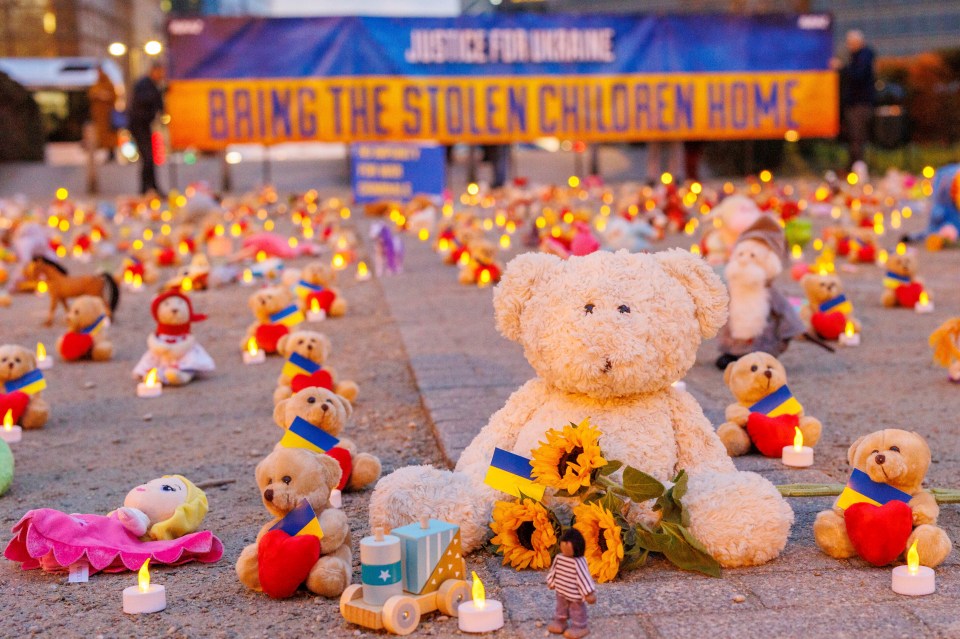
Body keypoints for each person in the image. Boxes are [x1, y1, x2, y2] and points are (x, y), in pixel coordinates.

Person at [833, 30, 875, 170]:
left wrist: (842, 68)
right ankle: (853, 167)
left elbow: (858, 75)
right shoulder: (856, 57)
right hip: (854, 104)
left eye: (851, 43)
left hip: (860, 104)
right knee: (853, 138)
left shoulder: (864, 57)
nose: (849, 46)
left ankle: (857, 169)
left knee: (857, 138)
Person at [546, 528, 597, 639]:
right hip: (561, 591)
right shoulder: (559, 558)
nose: (564, 546)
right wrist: (551, 581)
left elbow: (584, 577)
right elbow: (554, 571)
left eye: (567, 544)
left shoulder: (578, 562)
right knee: (560, 607)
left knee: (577, 610)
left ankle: (580, 626)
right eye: (563, 543)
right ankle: (560, 621)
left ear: (577, 546)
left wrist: (588, 593)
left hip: (575, 594)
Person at [129, 63, 166, 195]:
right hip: (138, 124)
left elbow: (159, 105)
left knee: (150, 157)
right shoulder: (144, 84)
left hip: (145, 124)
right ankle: (146, 188)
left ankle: (152, 187)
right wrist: (160, 92)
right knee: (148, 157)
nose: (161, 76)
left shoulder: (153, 85)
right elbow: (145, 100)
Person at [87, 67, 117, 161]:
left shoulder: (108, 84)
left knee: (110, 135)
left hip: (108, 116)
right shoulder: (96, 85)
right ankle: (108, 152)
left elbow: (114, 97)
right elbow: (91, 95)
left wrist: (105, 96)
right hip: (100, 117)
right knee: (102, 135)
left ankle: (112, 152)